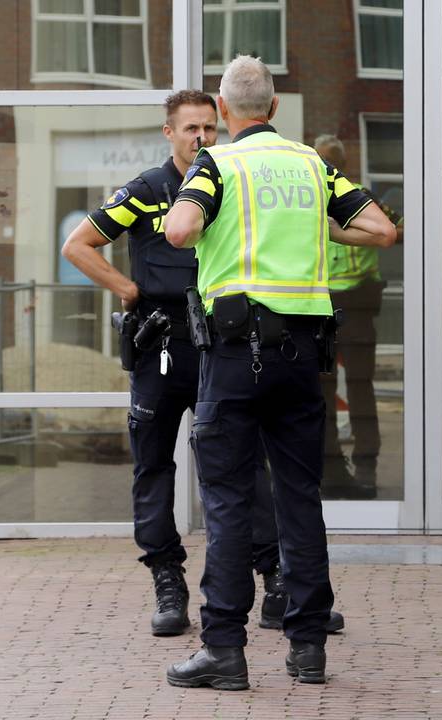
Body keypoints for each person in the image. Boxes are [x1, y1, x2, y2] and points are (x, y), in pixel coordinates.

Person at [60, 90, 342, 640]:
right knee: (153, 465)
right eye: (191, 129)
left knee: (248, 467)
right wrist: (128, 289)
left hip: (227, 347)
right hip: (164, 347)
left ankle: (275, 583)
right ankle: (167, 580)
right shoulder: (147, 190)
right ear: (169, 132)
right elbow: (79, 244)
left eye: (209, 127)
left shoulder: (233, 180)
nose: (202, 138)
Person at [163, 56, 395, 690]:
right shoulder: (312, 164)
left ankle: (224, 651)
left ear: (222, 109)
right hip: (303, 356)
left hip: (236, 358)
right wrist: (311, 228)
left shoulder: (217, 164)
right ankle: (309, 647)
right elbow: (379, 228)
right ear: (275, 107)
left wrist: (188, 221)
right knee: (300, 499)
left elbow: (181, 230)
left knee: (230, 502)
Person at [312, 134, 394, 500]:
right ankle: (332, 467)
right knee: (324, 392)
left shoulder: (361, 201)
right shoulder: (312, 200)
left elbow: (397, 232)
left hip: (356, 306)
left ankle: (365, 466)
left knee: (359, 388)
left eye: (327, 162)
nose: (324, 168)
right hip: (323, 306)